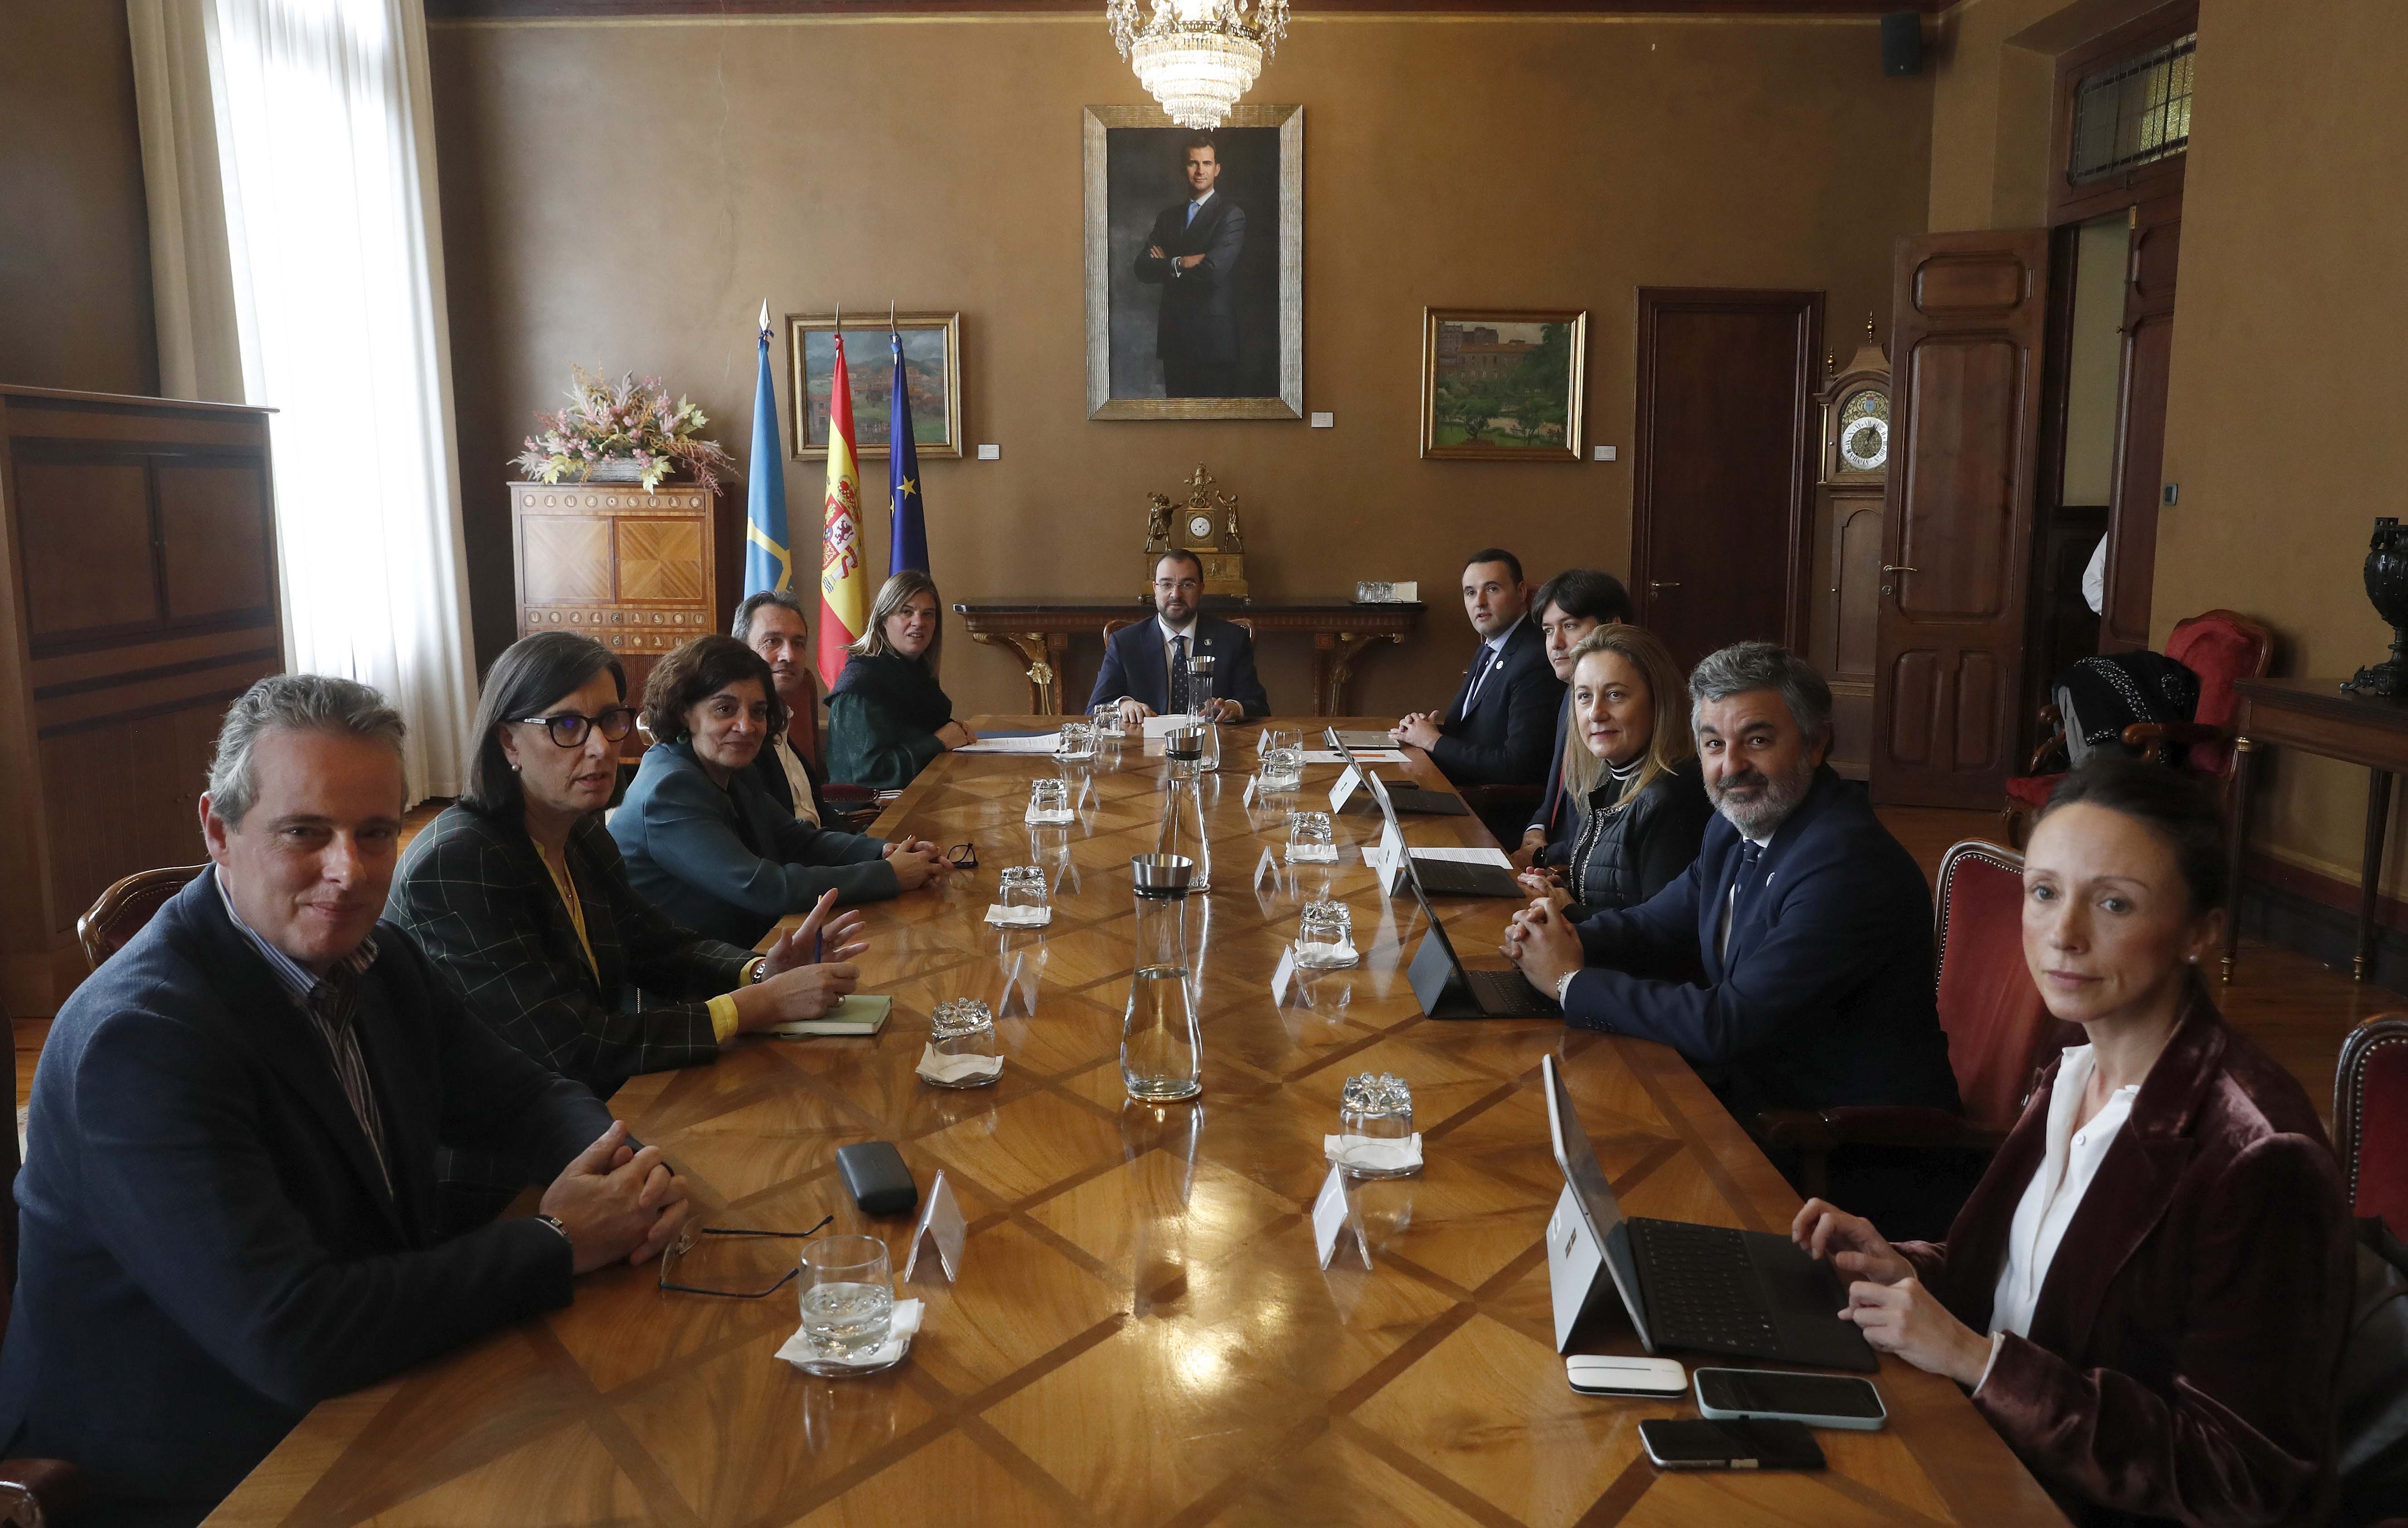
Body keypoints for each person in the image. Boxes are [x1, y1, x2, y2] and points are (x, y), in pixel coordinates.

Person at [0, 675, 689, 1527]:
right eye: (305, 832)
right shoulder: (141, 1041)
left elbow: (524, 1097)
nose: (348, 872)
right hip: (191, 1474)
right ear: (218, 829)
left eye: (374, 833)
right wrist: (559, 1240)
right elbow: (292, 1334)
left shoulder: (380, 958)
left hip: (374, 1386)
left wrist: (624, 1175)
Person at [1793, 759, 2354, 1528]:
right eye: (2044, 892)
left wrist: (1974, 1360)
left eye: (2114, 903)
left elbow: (2242, 1478)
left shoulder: (2259, 1153)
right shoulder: (2071, 1064)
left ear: (2201, 932)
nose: (2063, 934)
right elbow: (2034, 1289)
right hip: (1982, 1461)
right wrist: (1905, 1268)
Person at [1501, 640, 1965, 1235]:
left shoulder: (1846, 862)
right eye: (1714, 744)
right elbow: (1655, 923)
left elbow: (1728, 1021)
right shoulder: (1733, 826)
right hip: (1744, 1105)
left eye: (1757, 739)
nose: (1731, 766)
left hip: (1839, 1160)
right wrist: (1556, 933)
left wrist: (1570, 982)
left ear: (1816, 743)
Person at [389, 632, 870, 1114]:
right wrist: (759, 1004)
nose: (601, 747)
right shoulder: (457, 862)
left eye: (609, 720)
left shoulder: (581, 834)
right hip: (505, 1140)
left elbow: (658, 945)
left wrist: (761, 971)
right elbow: (574, 1045)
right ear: (509, 741)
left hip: (582, 1105)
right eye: (567, 725)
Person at [614, 635, 947, 948]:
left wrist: (884, 851)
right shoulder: (669, 790)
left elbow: (798, 840)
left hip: (749, 944)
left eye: (758, 711)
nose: (747, 726)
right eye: (725, 709)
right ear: (683, 712)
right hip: (693, 974)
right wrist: (888, 875)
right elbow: (764, 887)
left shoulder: (733, 768)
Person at [1514, 625, 1709, 925]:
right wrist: (1559, 889)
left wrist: (1569, 910)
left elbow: (1665, 933)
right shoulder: (1611, 777)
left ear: (1658, 701)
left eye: (1615, 695)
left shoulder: (1672, 796)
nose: (1596, 713)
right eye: (1584, 696)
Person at [1393, 547, 1564, 842]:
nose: (1479, 602)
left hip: (1494, 817)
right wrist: (1422, 732)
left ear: (1521, 592)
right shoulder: (1492, 645)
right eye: (1470, 593)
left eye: (1492, 589)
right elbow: (1474, 734)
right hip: (1460, 795)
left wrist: (1433, 741)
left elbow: (1518, 767)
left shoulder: (1535, 658)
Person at [1514, 568, 1637, 869]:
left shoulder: (1624, 712)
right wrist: (1535, 831)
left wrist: (1544, 856)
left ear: (1612, 626)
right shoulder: (1571, 695)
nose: (1555, 643)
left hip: (1580, 870)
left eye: (1569, 626)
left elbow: (1609, 830)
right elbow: (1555, 793)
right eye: (1548, 631)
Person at [824, 570, 979, 790]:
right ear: (883, 621)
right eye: (907, 612)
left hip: (922, 792)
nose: (919, 622)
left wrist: (953, 730)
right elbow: (870, 775)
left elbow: (914, 731)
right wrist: (939, 742)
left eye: (928, 614)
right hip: (875, 809)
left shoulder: (912, 672)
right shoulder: (861, 686)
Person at [1090, 548, 1271, 725]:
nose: (1176, 594)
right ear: (1155, 589)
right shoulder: (1125, 642)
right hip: (1145, 742)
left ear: (1201, 589)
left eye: (1187, 585)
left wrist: (1233, 708)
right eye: (1166, 584)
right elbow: (1094, 709)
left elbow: (1259, 706)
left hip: (1211, 741)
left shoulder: (1232, 639)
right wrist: (1123, 705)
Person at [1133, 133, 1246, 398]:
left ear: (1217, 169)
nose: (1200, 171)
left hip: (1213, 343)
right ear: (1183, 168)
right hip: (1175, 339)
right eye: (1193, 163)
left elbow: (1212, 273)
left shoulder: (1230, 216)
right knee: (1178, 419)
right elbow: (1142, 268)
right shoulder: (1168, 217)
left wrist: (1166, 266)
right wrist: (1180, 262)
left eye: (1207, 163)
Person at [734, 588, 836, 823]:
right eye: (772, 642)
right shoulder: (740, 738)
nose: (789, 656)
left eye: (799, 643)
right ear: (741, 649)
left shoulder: (782, 722)